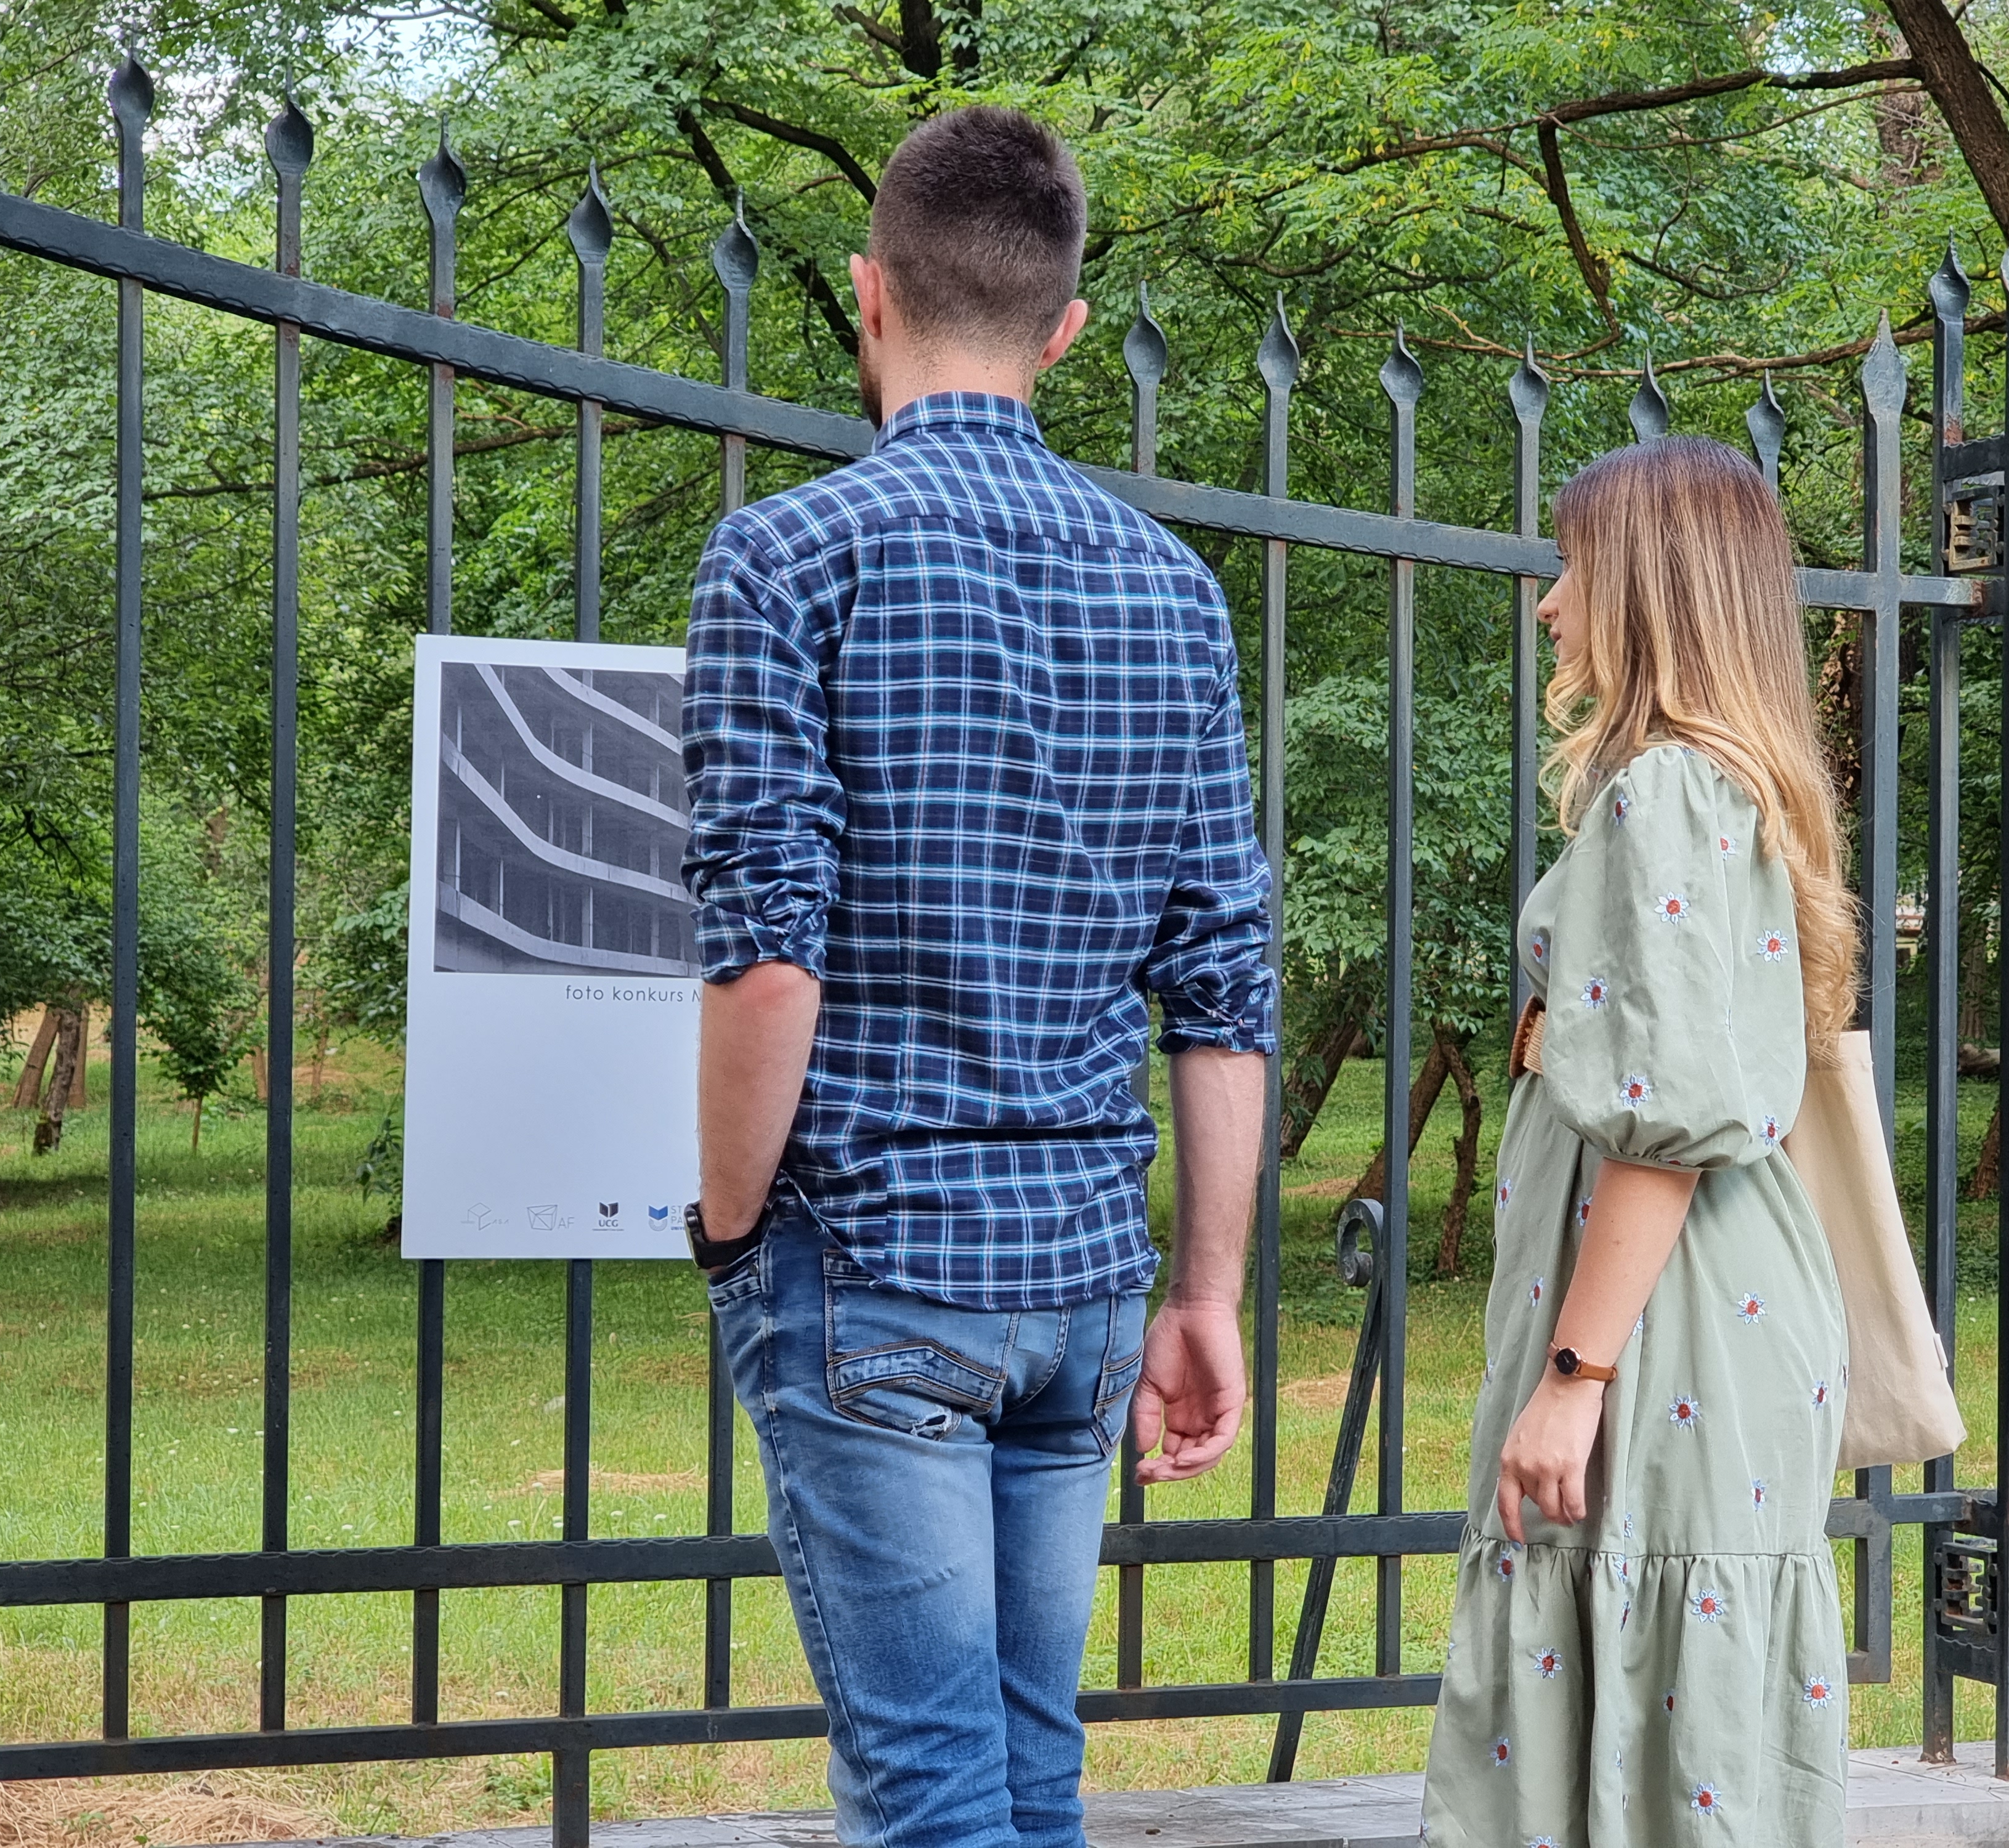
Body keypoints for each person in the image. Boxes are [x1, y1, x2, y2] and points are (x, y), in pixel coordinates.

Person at [678, 106, 1273, 1848]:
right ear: (1067, 329)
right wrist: (1210, 1298)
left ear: (869, 295)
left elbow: (768, 961)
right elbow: (1223, 994)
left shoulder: (789, 558)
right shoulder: (1176, 595)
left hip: (872, 1265)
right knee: (1026, 1777)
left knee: (932, 1794)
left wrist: (727, 1225)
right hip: (1087, 1287)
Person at [1421, 434, 1859, 1848]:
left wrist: (1572, 1376)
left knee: (1643, 1705)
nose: (1550, 605)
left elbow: (1662, 1126)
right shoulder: (1737, 790)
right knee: (1690, 1729)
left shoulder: (1666, 793)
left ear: (1649, 586)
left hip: (1659, 1323)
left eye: (1573, 566)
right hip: (1715, 1309)